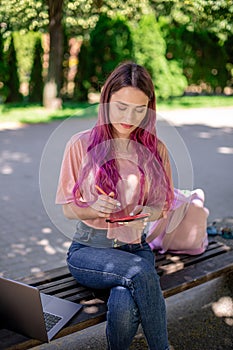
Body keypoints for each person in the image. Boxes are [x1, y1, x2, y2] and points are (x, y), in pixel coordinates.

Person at [56, 61, 174, 350]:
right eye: (121, 106)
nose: (129, 116)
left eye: (139, 109)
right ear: (106, 101)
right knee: (141, 273)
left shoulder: (156, 150)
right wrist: (94, 207)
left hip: (135, 248)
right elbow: (67, 209)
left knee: (123, 299)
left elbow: (163, 205)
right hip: (88, 251)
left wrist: (151, 212)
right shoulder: (79, 144)